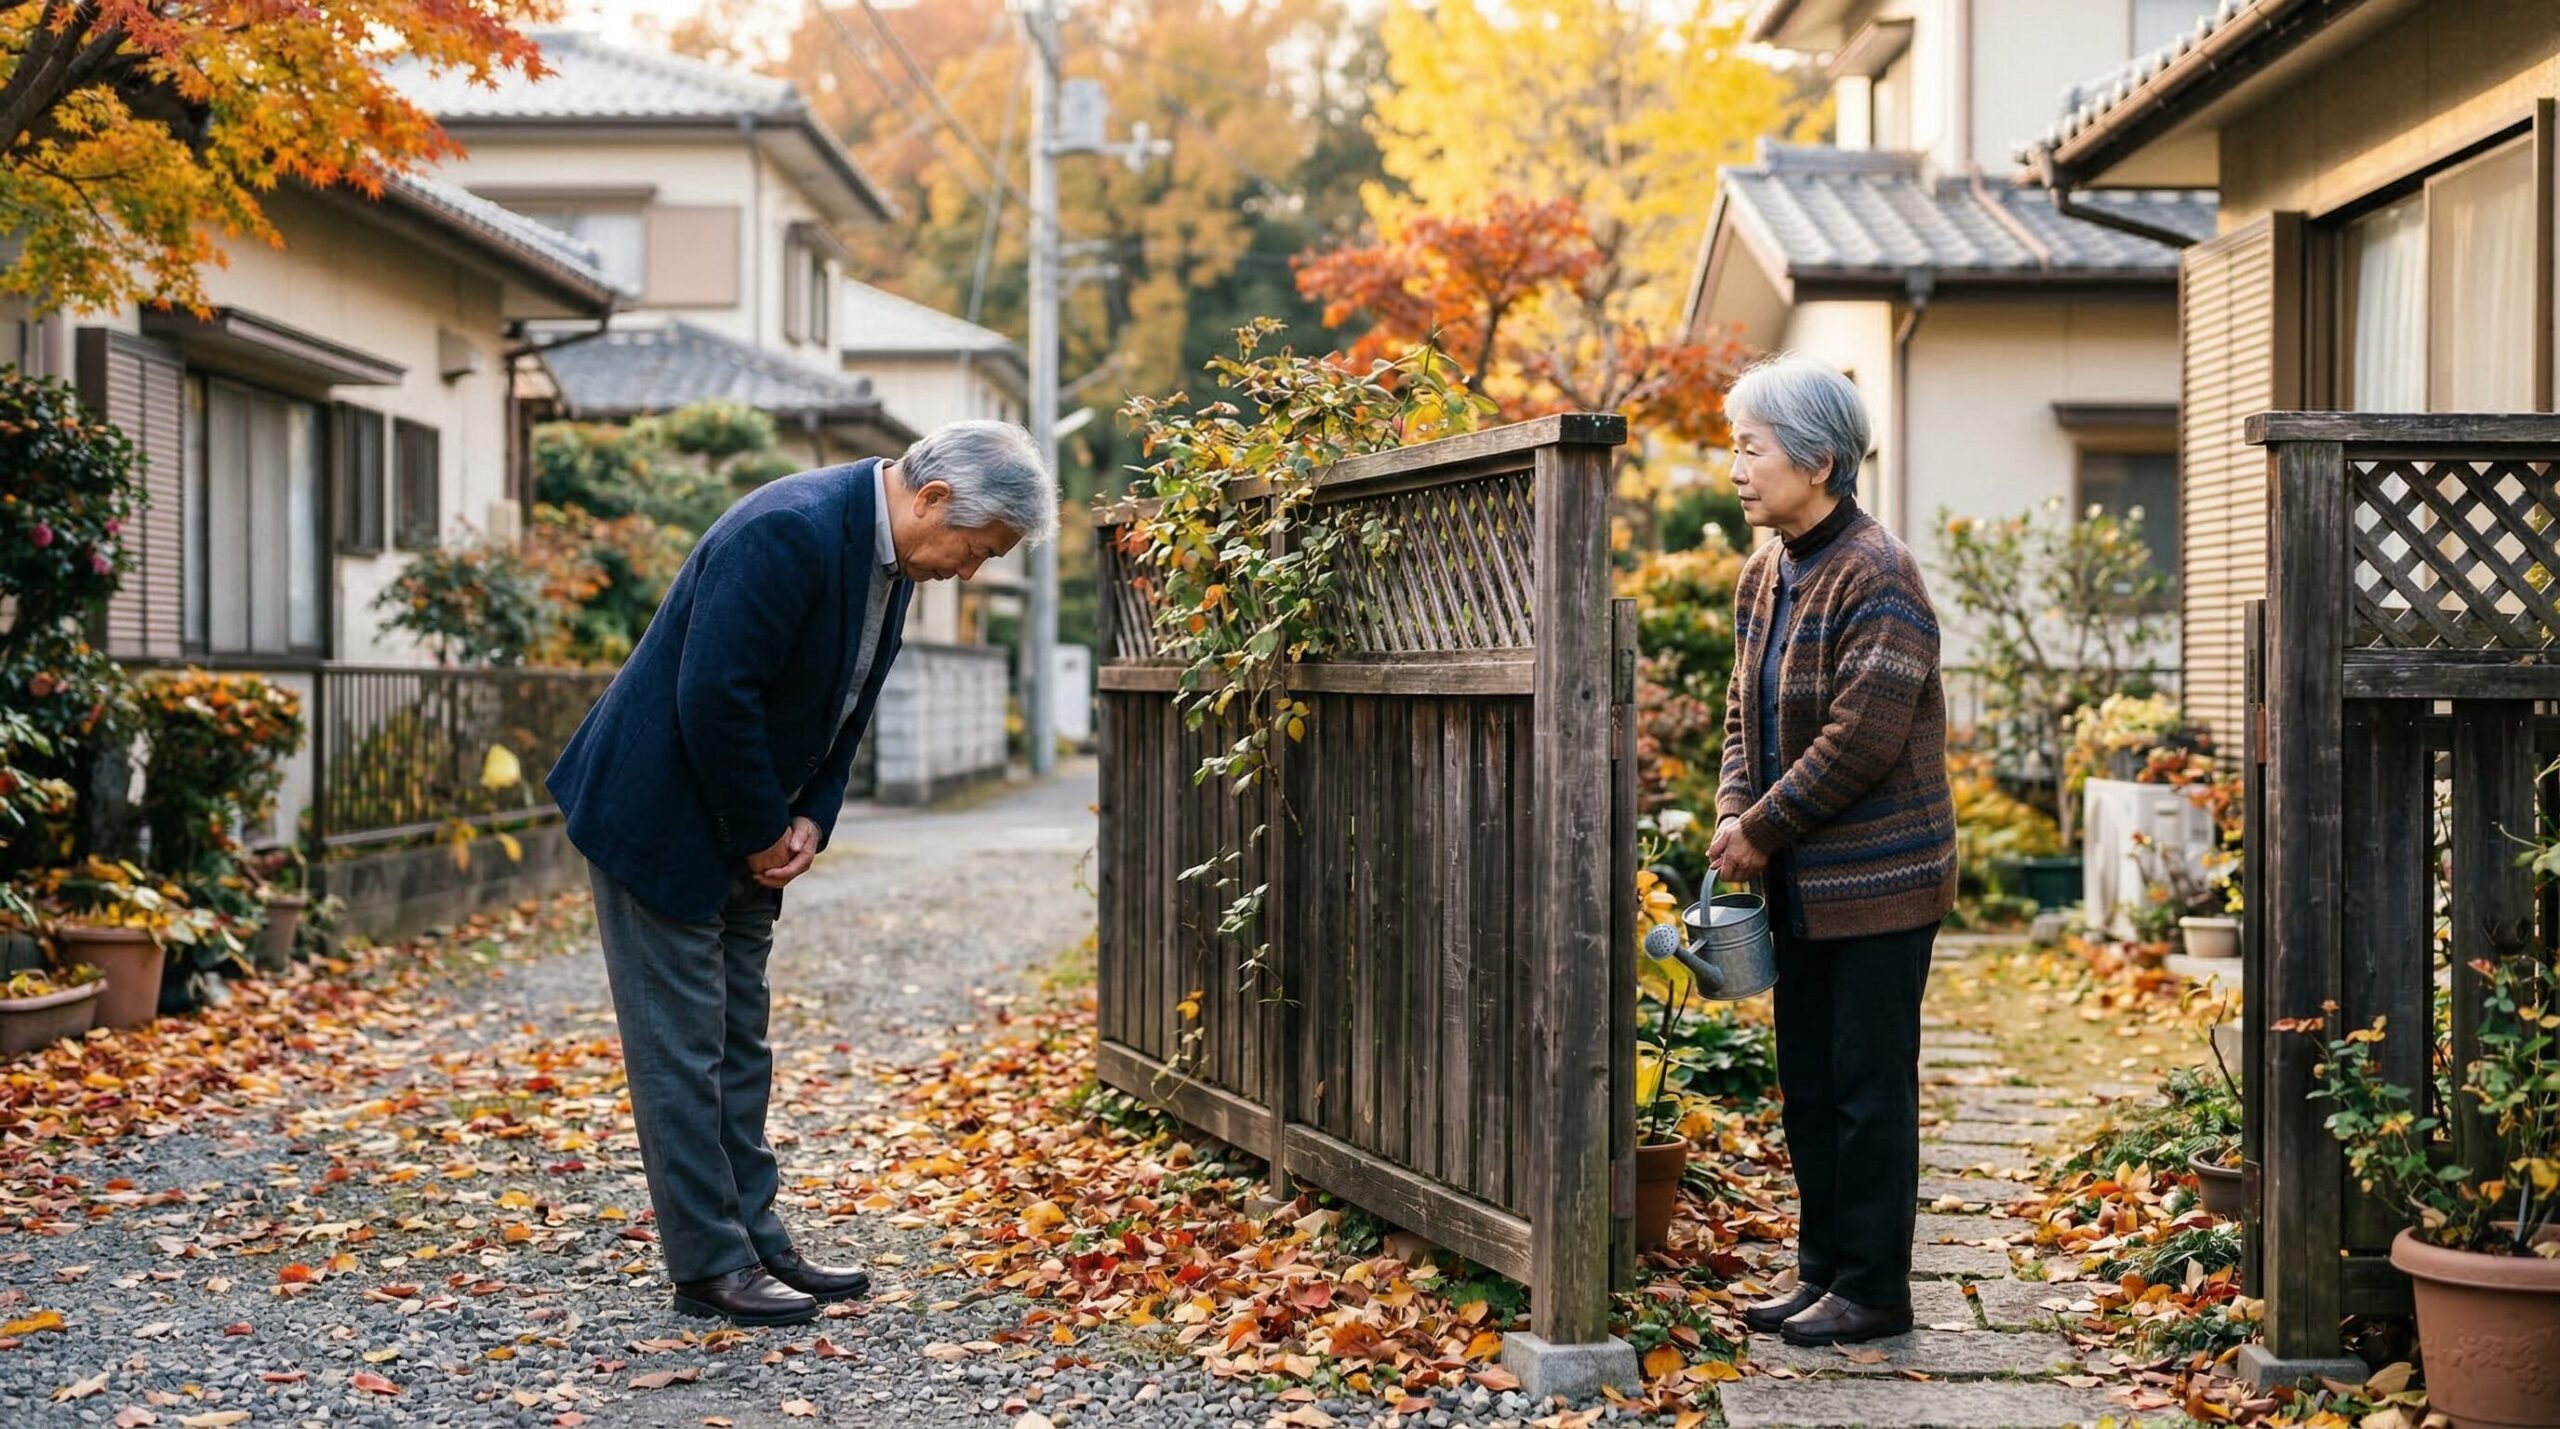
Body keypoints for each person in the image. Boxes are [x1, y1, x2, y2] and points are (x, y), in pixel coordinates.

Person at [546, 420, 1056, 1326]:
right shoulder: (788, 528)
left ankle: (756, 1237)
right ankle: (708, 1263)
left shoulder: (890, 561)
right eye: (973, 549)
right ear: (933, 498)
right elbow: (715, 692)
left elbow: (847, 704)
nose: (968, 571)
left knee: (742, 1041)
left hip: (749, 824)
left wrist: (814, 813)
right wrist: (757, 831)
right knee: (683, 1052)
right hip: (658, 815)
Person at [1704, 356, 1956, 1348]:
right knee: (1808, 1083)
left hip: (1882, 883)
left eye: (1750, 446)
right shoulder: (1764, 573)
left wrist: (1758, 828)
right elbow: (1741, 708)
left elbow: (1862, 738)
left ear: (1815, 461)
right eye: (1735, 445)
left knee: (1867, 1089)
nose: (1736, 465)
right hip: (1799, 881)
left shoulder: (1878, 575)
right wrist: (1736, 804)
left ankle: (1875, 1288)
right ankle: (1822, 1276)